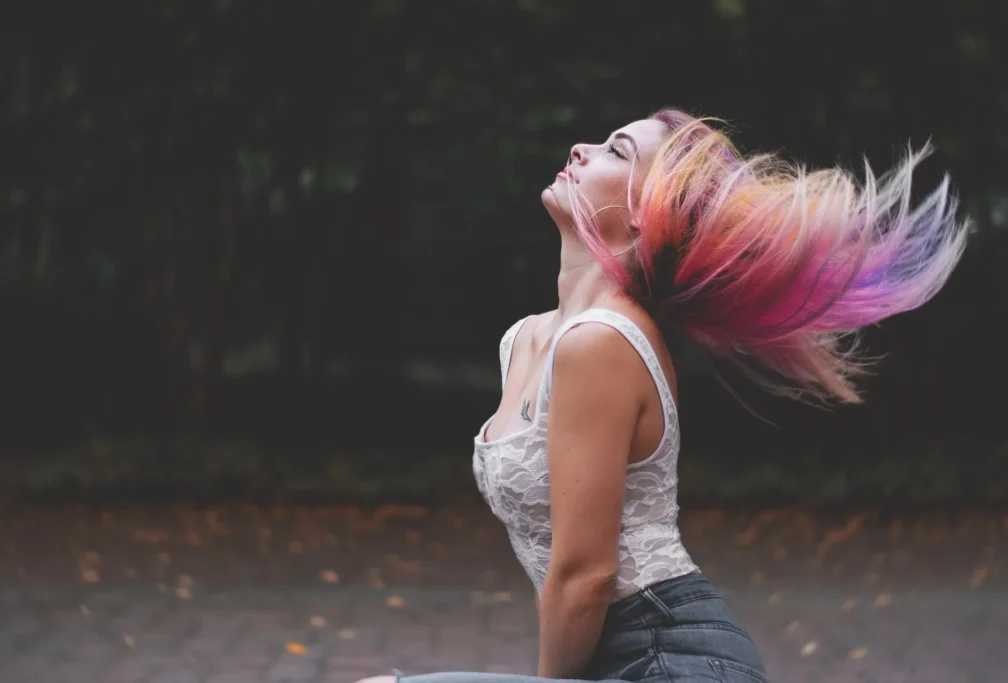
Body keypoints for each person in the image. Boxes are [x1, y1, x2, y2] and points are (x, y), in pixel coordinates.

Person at [356, 108, 967, 683]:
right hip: (623, 654)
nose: (581, 149)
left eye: (615, 151)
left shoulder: (601, 342)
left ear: (649, 211)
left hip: (671, 658)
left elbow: (585, 576)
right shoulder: (526, 339)